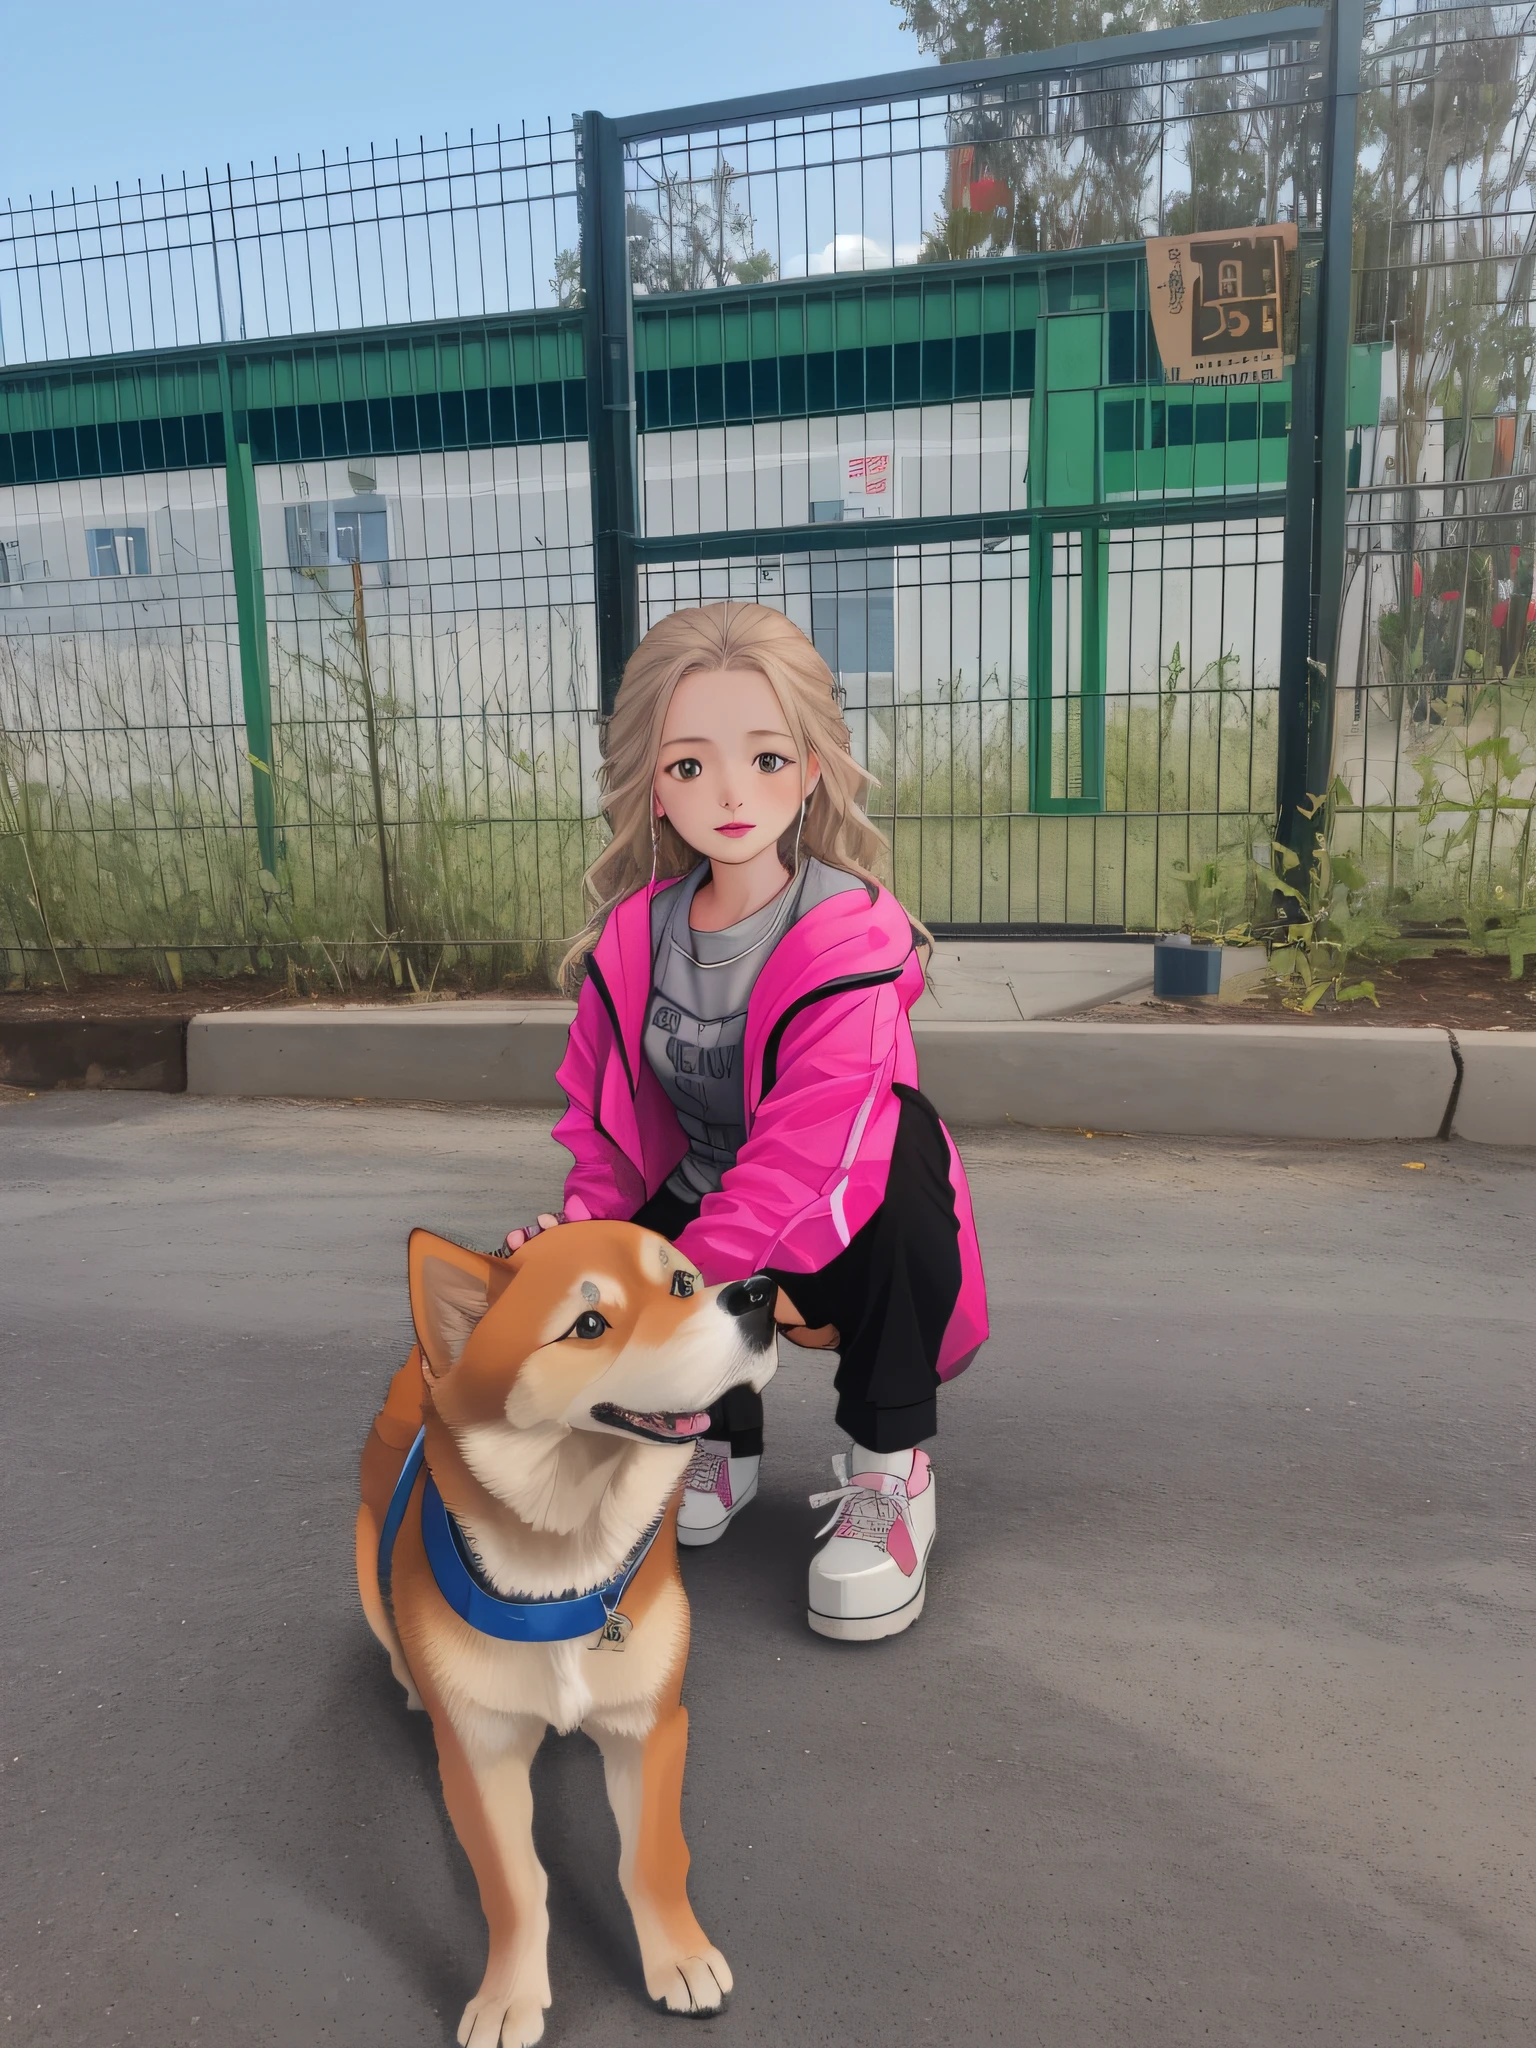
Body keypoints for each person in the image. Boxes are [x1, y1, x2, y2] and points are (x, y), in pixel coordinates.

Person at [504, 602, 987, 1641]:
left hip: (843, 1222)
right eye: (689, 765)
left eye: (765, 757)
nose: (729, 793)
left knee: (900, 1144)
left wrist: (673, 1296)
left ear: (812, 769)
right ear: (651, 782)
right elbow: (604, 1133)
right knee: (644, 1207)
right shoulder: (634, 940)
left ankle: (891, 1470)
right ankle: (713, 1437)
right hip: (713, 1218)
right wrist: (580, 1250)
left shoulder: (847, 934)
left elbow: (802, 1157)